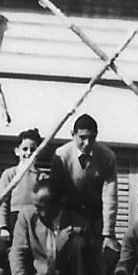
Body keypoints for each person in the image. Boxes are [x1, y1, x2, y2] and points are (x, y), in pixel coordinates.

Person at [9, 179, 99, 275]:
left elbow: (93, 263)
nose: (36, 210)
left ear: (58, 204)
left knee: (79, 242)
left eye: (40, 207)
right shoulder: (27, 217)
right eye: (34, 205)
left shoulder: (79, 223)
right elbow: (17, 252)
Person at [49, 113, 118, 264]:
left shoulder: (107, 156)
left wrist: (108, 232)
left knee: (100, 257)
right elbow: (54, 194)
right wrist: (55, 228)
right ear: (73, 135)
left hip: (96, 215)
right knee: (72, 254)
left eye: (91, 138)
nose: (87, 143)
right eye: (82, 137)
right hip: (70, 212)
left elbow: (109, 195)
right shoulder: (61, 155)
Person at [0, 127, 43, 254]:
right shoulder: (10, 174)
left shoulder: (41, 176)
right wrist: (3, 227)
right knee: (15, 254)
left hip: (35, 221)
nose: (28, 153)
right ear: (17, 151)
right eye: (25, 149)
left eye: (33, 150)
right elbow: (2, 203)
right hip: (15, 219)